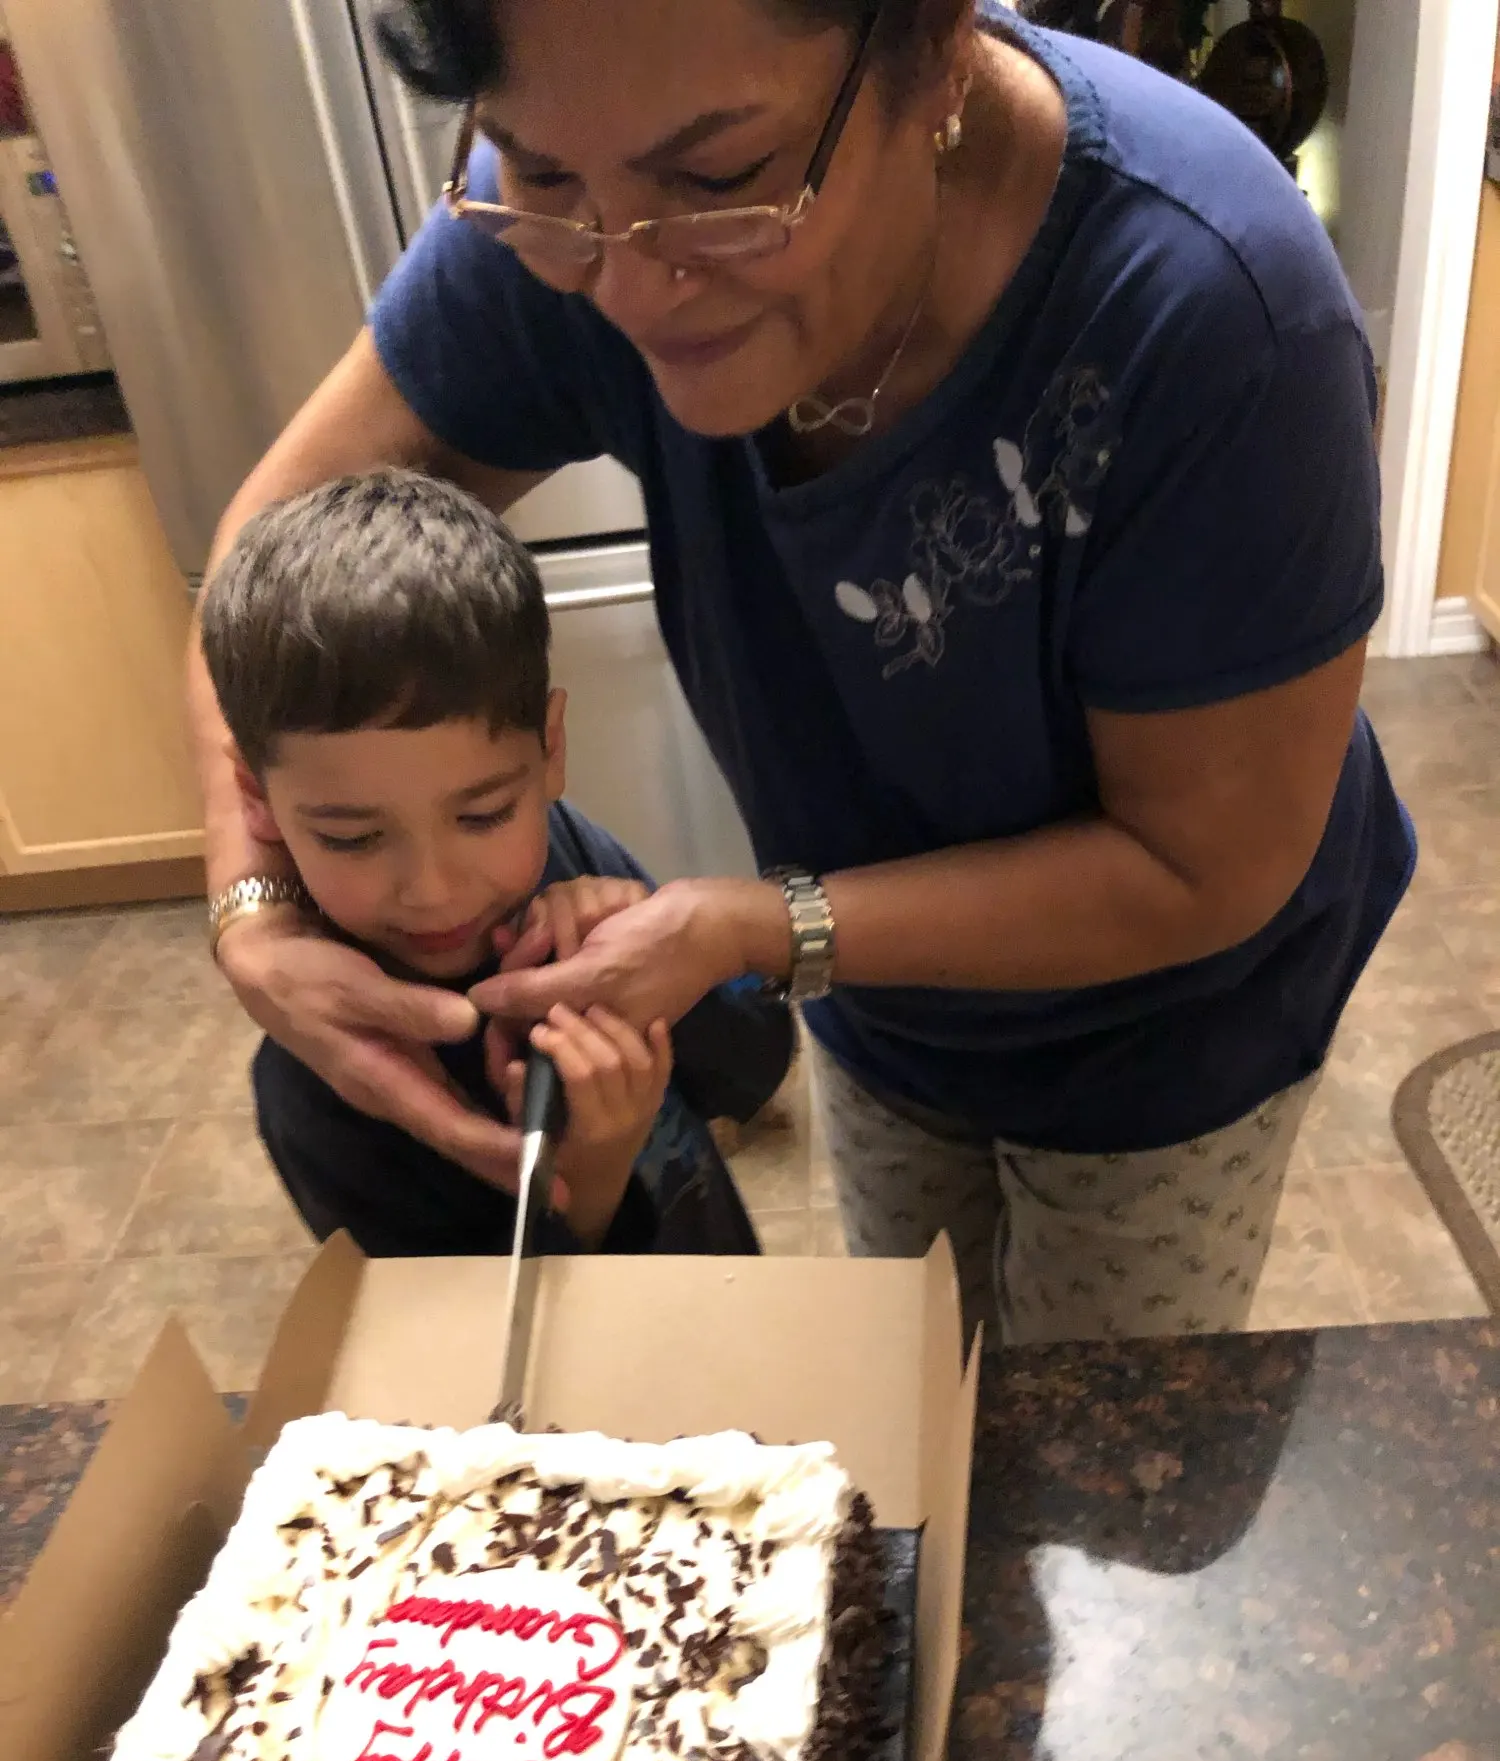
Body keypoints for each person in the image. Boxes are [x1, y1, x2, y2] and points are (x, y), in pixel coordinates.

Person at [188, 0, 1413, 1343]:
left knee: (1093, 1455)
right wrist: (256, 903)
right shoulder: (586, 195)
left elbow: (1205, 867)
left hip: (1168, 1040)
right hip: (873, 999)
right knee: (915, 1369)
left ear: (936, 50)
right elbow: (268, 550)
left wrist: (764, 928)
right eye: (539, 174)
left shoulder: (1220, 308)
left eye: (719, 180)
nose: (624, 284)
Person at [196, 469, 790, 1257]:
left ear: (550, 749)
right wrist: (591, 1185)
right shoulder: (320, 1091)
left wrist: (672, 966)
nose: (434, 891)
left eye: (483, 816)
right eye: (353, 837)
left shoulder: (569, 853)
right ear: (257, 799)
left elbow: (757, 1066)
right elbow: (480, 1332)